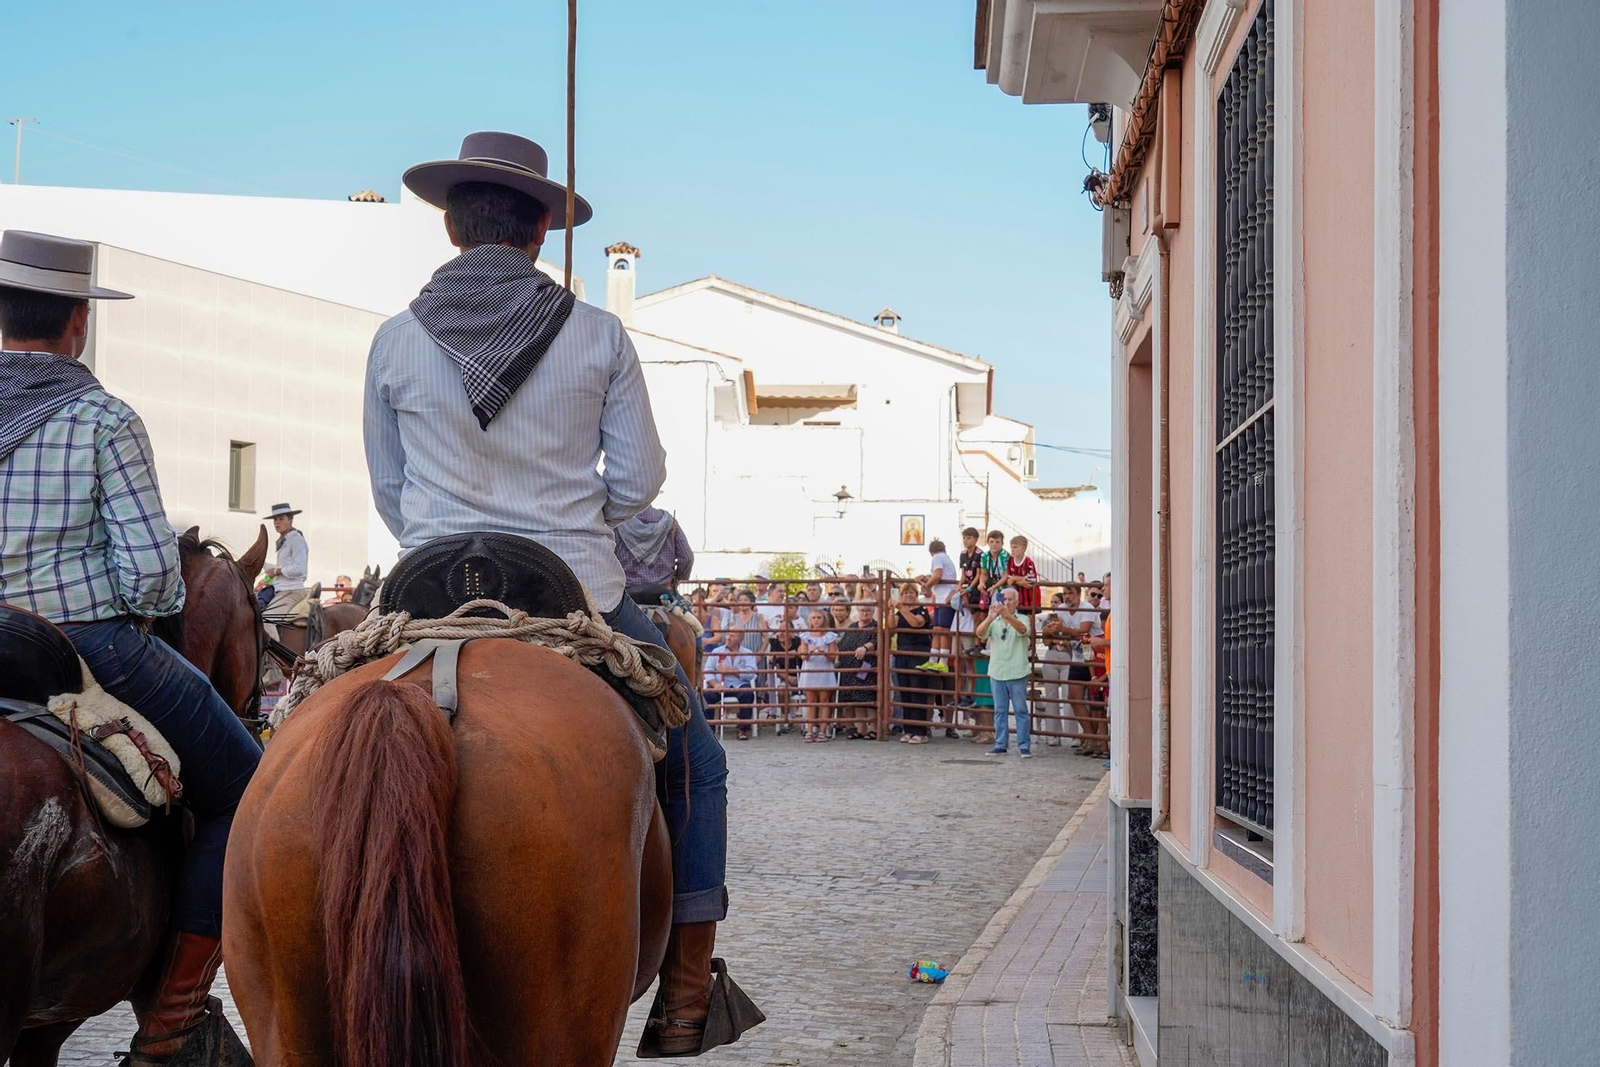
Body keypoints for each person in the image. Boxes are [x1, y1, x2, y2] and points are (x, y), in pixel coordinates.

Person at [362, 132, 748, 1056]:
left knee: (299, 722)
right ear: (540, 231)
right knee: (699, 759)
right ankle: (689, 987)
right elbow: (635, 485)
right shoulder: (596, 332)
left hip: (424, 590)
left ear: (452, 226)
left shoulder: (394, 340)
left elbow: (388, 489)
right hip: (569, 589)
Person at [0, 230, 260, 1063]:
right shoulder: (103, 416)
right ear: (80, 322)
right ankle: (174, 1012)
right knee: (246, 787)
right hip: (80, 646)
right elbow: (155, 577)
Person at [1042, 586, 1103, 749]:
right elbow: (1049, 630)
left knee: (1096, 703)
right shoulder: (1061, 609)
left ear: (1078, 594)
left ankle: (1097, 741)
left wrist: (1062, 630)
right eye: (1065, 593)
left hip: (1093, 653)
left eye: (1070, 593)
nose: (1067, 596)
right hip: (1078, 654)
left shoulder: (1087, 608)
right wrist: (1050, 629)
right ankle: (1091, 738)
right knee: (1074, 699)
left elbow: (1083, 631)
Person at [977, 587, 1033, 758]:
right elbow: (980, 634)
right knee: (1000, 710)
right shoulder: (995, 621)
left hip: (1017, 671)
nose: (1006, 602)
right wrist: (989, 617)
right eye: (1004, 599)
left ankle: (1024, 745)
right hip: (998, 671)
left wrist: (1007, 615)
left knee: (1021, 710)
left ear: (1016, 602)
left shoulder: (1023, 618)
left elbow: (1023, 630)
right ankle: (1001, 744)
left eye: (1010, 600)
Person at [890, 581, 935, 743]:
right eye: (904, 593)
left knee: (918, 691)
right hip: (902, 653)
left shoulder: (921, 609)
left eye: (911, 593)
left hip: (918, 652)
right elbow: (890, 626)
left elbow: (916, 623)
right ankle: (908, 729)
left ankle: (920, 731)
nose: (908, 596)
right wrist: (890, 609)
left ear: (916, 596)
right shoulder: (898, 612)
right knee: (905, 691)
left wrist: (901, 608)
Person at [615, 504, 694, 592]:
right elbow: (687, 558)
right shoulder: (670, 522)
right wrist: (679, 578)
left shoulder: (616, 523)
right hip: (664, 592)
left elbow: (607, 560)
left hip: (627, 594)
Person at [260, 502, 309, 637]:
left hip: (292, 591)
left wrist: (275, 571)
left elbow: (300, 568)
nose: (277, 522)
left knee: (266, 620)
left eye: (281, 519)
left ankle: (273, 658)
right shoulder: (285, 540)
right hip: (281, 590)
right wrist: (268, 577)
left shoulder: (296, 540)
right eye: (275, 519)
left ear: (290, 520)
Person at [835, 597, 878, 739]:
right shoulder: (852, 627)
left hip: (866, 666)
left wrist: (866, 647)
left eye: (868, 611)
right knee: (852, 698)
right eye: (862, 610)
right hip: (848, 666)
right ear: (858, 612)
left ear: (872, 612)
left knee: (866, 697)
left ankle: (873, 729)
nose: (865, 613)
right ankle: (859, 729)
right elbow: (842, 644)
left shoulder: (875, 626)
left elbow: (876, 640)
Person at [705, 627, 759, 741]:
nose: (728, 637)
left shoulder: (747, 653)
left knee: (748, 694)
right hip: (720, 686)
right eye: (728, 634)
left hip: (739, 685)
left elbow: (751, 673)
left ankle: (742, 729)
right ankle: (709, 731)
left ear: (740, 639)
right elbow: (708, 671)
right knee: (706, 696)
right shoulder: (717, 652)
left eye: (732, 635)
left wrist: (732, 670)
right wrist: (715, 684)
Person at [797, 609, 839, 742]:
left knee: (824, 700)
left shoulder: (830, 636)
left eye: (819, 618)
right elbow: (803, 656)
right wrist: (808, 652)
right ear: (810, 620)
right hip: (810, 670)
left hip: (824, 670)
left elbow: (833, 657)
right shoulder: (805, 636)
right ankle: (809, 731)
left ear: (824, 620)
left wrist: (824, 652)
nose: (816, 620)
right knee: (810, 701)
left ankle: (822, 730)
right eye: (813, 618)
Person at [918, 537, 959, 673]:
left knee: (943, 630)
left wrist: (926, 585)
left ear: (931, 552)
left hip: (944, 598)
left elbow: (937, 575)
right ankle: (933, 661)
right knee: (937, 629)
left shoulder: (937, 558)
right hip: (941, 598)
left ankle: (942, 662)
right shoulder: (946, 559)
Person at [1003, 534, 1041, 611]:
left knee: (1029, 620)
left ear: (1024, 548)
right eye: (1011, 547)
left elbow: (1030, 581)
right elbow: (1009, 578)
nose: (1012, 550)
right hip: (1018, 599)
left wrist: (1015, 579)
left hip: (1031, 599)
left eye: (1015, 547)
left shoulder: (1029, 562)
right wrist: (1021, 580)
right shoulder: (1010, 560)